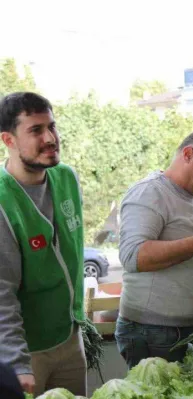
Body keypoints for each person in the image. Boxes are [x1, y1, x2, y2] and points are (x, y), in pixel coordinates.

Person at [117, 131, 193, 368]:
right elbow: (133, 256)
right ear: (188, 154)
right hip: (151, 331)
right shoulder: (149, 193)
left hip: (192, 327)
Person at [0, 92, 87, 396]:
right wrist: (17, 363)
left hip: (69, 337)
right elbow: (1, 292)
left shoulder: (66, 178)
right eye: (36, 130)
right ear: (8, 140)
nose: (51, 138)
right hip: (26, 351)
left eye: (52, 126)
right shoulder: (2, 200)